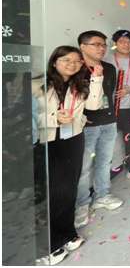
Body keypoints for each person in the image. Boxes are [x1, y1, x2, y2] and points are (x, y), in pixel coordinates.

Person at [33, 46, 104, 265]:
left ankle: (67, 234)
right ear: (54, 61)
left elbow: (94, 105)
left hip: (72, 140)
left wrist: (97, 80)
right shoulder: (37, 85)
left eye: (76, 61)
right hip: (46, 143)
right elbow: (25, 117)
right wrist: (54, 118)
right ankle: (47, 246)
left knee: (67, 190)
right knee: (49, 194)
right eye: (66, 60)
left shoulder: (78, 85)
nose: (72, 65)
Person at [75, 31, 123, 229]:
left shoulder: (109, 68)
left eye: (104, 45)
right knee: (83, 167)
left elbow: (109, 95)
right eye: (96, 44)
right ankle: (81, 204)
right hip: (86, 125)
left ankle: (101, 195)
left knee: (105, 162)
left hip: (108, 122)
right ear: (83, 47)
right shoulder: (76, 68)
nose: (102, 48)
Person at [103, 30, 130, 179]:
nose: (126, 45)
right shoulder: (106, 62)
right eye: (122, 42)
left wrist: (129, 89)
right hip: (109, 109)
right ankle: (105, 172)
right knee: (106, 141)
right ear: (115, 44)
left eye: (129, 42)